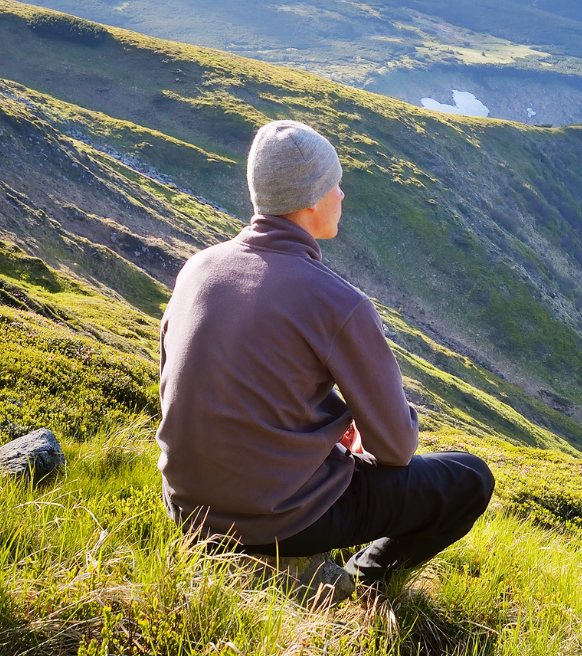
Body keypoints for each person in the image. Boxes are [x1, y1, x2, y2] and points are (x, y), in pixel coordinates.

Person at [156, 119, 494, 586]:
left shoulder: (197, 269)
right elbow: (396, 449)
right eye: (335, 184)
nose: (342, 195)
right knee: (469, 478)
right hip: (272, 517)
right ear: (311, 199)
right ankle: (364, 580)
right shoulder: (337, 302)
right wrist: (363, 428)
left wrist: (326, 429)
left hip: (188, 506)